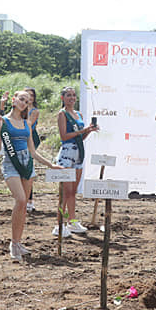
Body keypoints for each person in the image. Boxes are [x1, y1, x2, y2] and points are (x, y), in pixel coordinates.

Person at [0, 89, 60, 260]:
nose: (24, 103)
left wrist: (50, 164)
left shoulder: (27, 123)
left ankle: (18, 241)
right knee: (21, 200)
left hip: (27, 165)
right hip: (11, 165)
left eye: (27, 101)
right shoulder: (4, 121)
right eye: (21, 99)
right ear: (14, 100)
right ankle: (12, 244)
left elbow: (33, 152)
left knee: (23, 207)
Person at [55, 86, 98, 236]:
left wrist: (88, 131)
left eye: (73, 95)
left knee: (73, 191)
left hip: (79, 153)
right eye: (68, 95)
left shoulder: (78, 114)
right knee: (65, 192)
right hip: (67, 154)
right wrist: (81, 131)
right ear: (63, 98)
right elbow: (64, 136)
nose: (72, 98)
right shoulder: (62, 114)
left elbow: (79, 138)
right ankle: (59, 223)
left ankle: (72, 222)